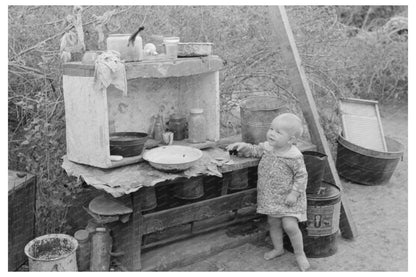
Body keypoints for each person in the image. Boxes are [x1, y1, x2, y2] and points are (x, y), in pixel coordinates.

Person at [226, 113, 310, 271]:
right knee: (273, 223)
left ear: (291, 140)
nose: (272, 133)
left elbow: (302, 177)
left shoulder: (294, 156)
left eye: (279, 132)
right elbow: (255, 151)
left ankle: (300, 253)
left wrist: (294, 193)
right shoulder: (268, 148)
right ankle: (278, 249)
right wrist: (241, 148)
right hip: (271, 196)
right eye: (271, 128)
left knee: (290, 225)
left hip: (289, 197)